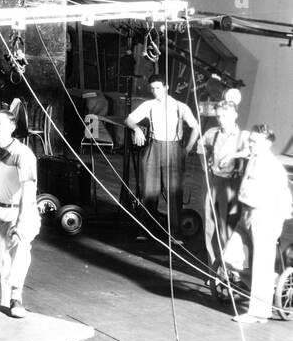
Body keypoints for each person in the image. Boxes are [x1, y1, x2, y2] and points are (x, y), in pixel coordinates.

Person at [0, 109, 40, 319]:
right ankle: (7, 301)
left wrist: (21, 222)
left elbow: (29, 190)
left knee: (20, 255)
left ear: (12, 127)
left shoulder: (23, 154)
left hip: (20, 213)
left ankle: (17, 297)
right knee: (3, 261)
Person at [123, 75, 200, 237]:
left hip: (174, 149)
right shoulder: (149, 105)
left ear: (166, 87)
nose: (155, 91)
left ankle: (175, 233)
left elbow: (196, 127)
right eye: (152, 88)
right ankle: (146, 230)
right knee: (150, 191)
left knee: (174, 192)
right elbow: (129, 120)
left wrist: (187, 149)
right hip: (154, 147)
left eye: (158, 88)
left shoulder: (180, 106)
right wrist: (136, 129)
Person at [233, 125, 291, 324]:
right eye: (250, 141)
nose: (250, 144)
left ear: (267, 144)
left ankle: (259, 312)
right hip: (246, 213)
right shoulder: (253, 159)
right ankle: (269, 283)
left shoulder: (274, 167)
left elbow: (285, 200)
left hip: (265, 217)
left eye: (254, 142)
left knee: (261, 263)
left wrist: (276, 224)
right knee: (231, 257)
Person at [198, 100, 248, 272]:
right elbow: (201, 147)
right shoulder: (213, 133)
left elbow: (251, 151)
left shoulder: (243, 136)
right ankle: (213, 269)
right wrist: (206, 169)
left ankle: (231, 270)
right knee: (209, 226)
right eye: (219, 116)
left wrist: (233, 155)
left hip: (232, 186)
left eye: (225, 116)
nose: (221, 119)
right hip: (215, 182)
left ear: (235, 115)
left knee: (228, 229)